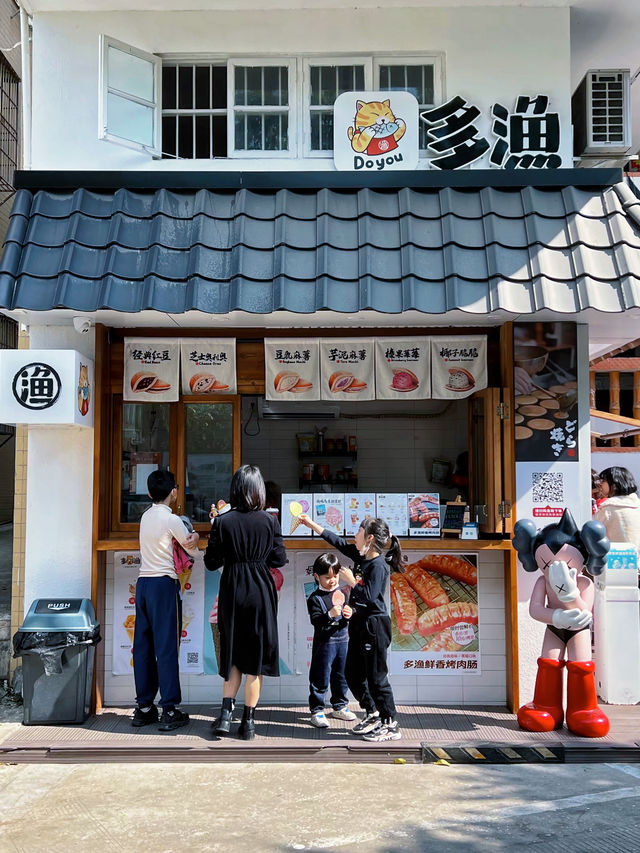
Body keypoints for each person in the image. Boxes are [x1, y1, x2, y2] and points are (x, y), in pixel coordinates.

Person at [297, 513, 402, 742]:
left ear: (369, 538)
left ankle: (390, 723)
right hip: (359, 624)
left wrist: (351, 581)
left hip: (375, 626)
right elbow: (337, 541)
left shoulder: (378, 566)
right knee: (352, 673)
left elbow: (371, 597)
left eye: (358, 533)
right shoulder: (360, 556)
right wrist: (310, 524)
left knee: (377, 678)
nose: (354, 536)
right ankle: (372, 713)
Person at [204, 464, 287, 740]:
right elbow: (278, 560)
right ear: (259, 490)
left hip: (232, 589)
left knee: (233, 655)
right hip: (261, 592)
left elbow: (211, 561)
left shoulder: (223, 522)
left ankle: (226, 716)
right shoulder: (270, 521)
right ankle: (248, 723)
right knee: (255, 659)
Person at [132, 469, 199, 731]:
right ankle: (170, 709)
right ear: (174, 492)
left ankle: (144, 707)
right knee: (167, 646)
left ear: (149, 493)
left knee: (144, 646)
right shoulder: (171, 519)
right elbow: (190, 547)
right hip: (163, 584)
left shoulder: (145, 516)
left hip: (144, 584)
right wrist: (195, 537)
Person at [306, 553, 356, 728]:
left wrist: (350, 614)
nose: (332, 581)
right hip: (324, 643)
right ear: (316, 577)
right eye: (327, 577)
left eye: (335, 576)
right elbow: (316, 621)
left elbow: (349, 613)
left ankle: (340, 705)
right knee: (320, 675)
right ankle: (317, 710)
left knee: (341, 675)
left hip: (343, 641)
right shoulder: (314, 598)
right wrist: (329, 615)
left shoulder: (343, 593)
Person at [595, 466, 640, 553]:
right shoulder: (638, 505)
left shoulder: (607, 508)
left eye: (603, 481)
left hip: (618, 560)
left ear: (614, 485)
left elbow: (594, 533)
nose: (600, 484)